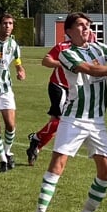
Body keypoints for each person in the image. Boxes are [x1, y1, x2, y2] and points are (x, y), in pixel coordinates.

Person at [26, 12, 107, 212]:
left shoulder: (98, 47)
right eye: (82, 26)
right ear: (70, 32)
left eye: (88, 25)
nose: (87, 29)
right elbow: (91, 71)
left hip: (97, 122)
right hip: (74, 119)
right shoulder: (66, 53)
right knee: (57, 167)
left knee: (106, 174)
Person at [0, 14, 27, 172]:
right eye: (5, 23)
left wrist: (20, 71)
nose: (7, 26)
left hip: (5, 88)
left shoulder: (14, 45)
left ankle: (7, 152)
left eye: (10, 24)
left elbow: (17, 63)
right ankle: (2, 158)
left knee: (10, 124)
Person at [23, 36, 71, 165]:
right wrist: (64, 63)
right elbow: (46, 61)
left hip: (74, 89)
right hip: (59, 85)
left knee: (55, 123)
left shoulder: (88, 48)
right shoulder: (63, 47)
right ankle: (37, 137)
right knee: (62, 120)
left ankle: (35, 148)